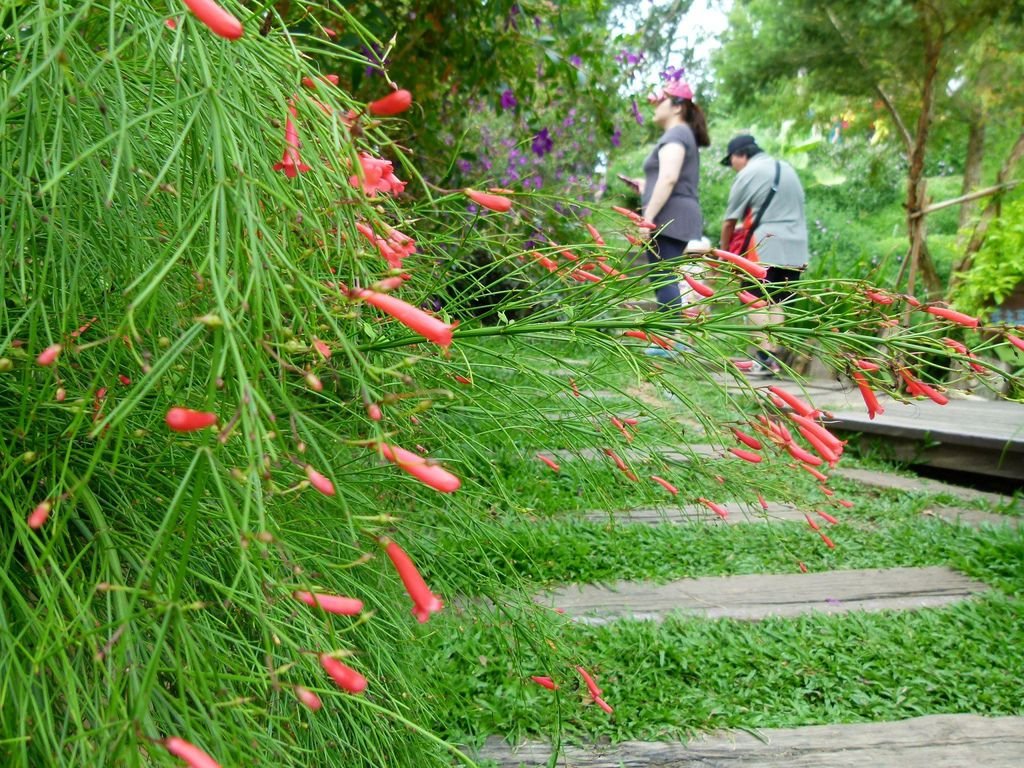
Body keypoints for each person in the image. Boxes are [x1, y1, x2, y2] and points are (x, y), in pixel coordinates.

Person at [719, 134, 809, 375]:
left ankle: (764, 357)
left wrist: (723, 253)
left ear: (742, 155)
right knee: (776, 301)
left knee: (753, 298)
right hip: (796, 247)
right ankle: (773, 358)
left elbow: (729, 222)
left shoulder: (748, 173)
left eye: (731, 161)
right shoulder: (788, 169)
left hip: (766, 245)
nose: (732, 167)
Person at [625, 80, 711, 311]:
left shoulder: (677, 134)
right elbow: (668, 178)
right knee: (664, 276)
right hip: (678, 214)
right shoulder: (682, 134)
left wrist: (647, 218)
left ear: (677, 107)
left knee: (664, 278)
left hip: (670, 217)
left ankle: (667, 341)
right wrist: (647, 186)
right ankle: (668, 338)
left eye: (660, 101)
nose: (655, 106)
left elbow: (669, 178)